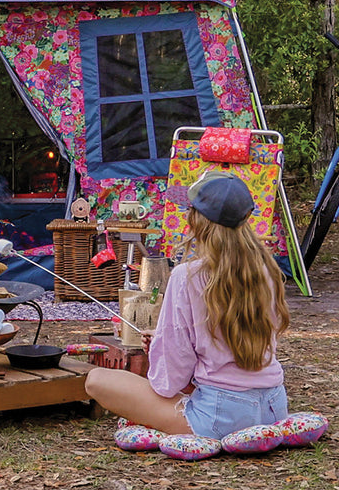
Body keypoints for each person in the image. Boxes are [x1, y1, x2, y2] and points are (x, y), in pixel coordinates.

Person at [85, 171, 290, 439]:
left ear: (197, 220)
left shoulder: (187, 276)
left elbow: (169, 382)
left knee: (96, 380)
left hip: (218, 416)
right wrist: (165, 339)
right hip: (273, 408)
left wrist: (160, 347)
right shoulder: (267, 271)